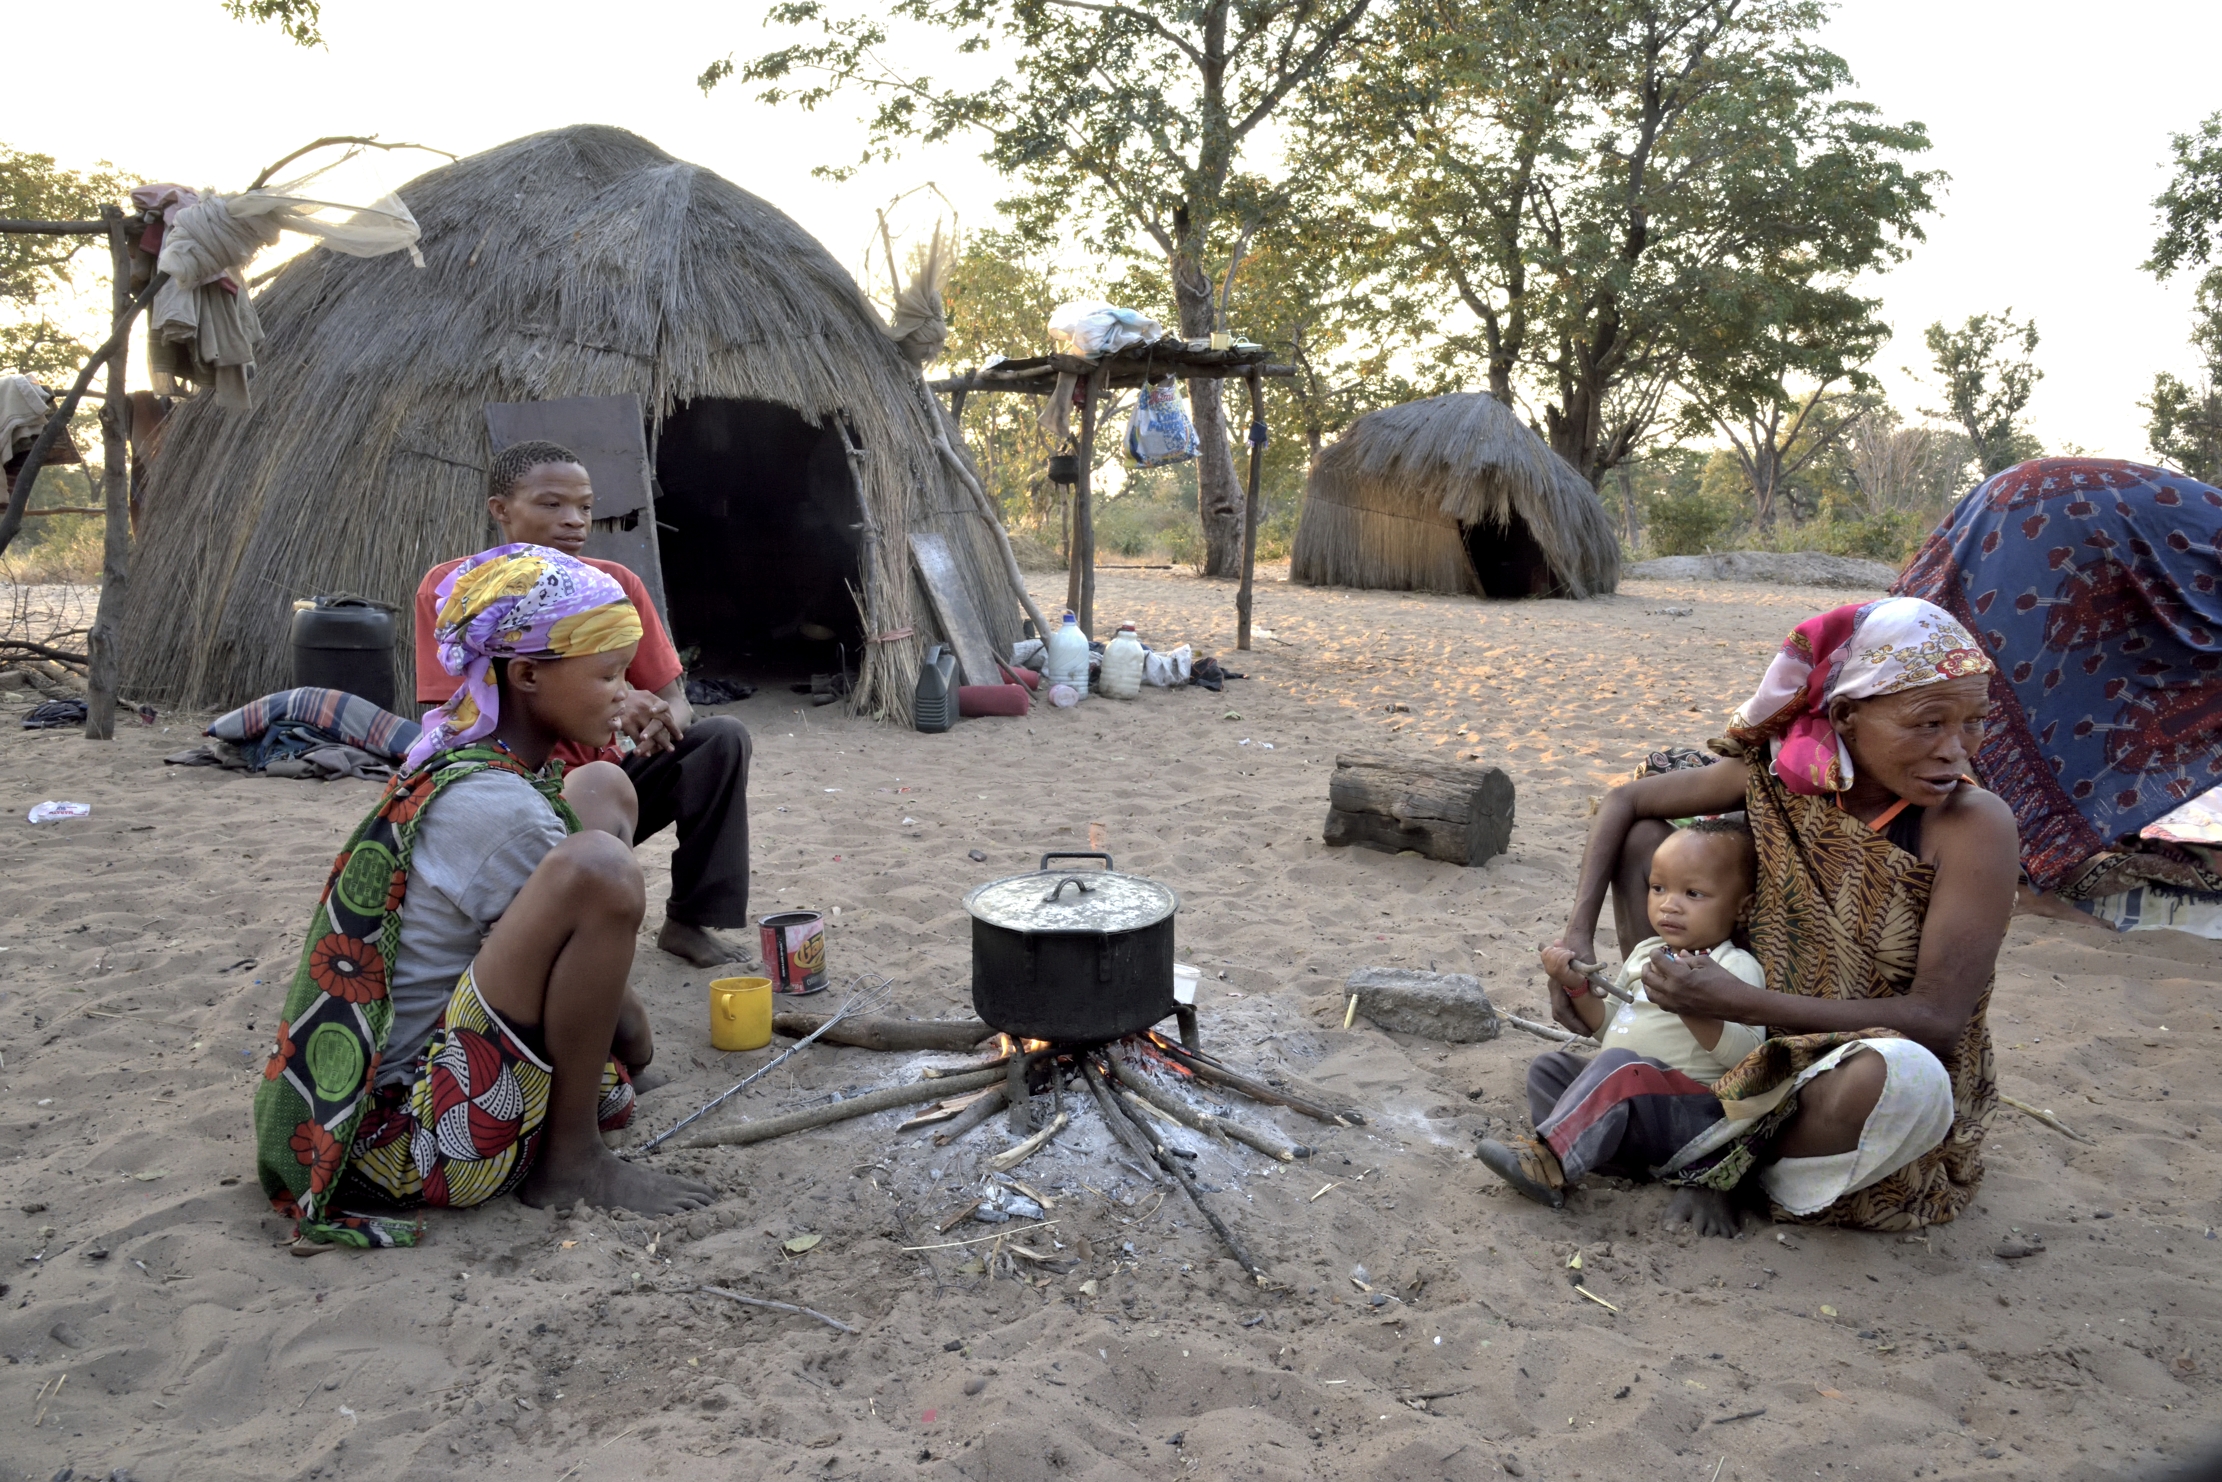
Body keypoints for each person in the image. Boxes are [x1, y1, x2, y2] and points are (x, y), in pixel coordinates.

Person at [255, 545, 715, 1246]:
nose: (627, 693)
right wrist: (637, 1042)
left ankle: (573, 1125)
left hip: (433, 1079)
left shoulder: (464, 752)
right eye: (608, 675)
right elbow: (621, 1019)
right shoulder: (496, 807)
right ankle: (571, 1161)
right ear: (526, 673)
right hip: (418, 1139)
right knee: (601, 869)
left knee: (600, 787)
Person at [1528, 596, 2017, 1235]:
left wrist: (1738, 1002)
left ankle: (1717, 1159)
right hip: (1728, 1040)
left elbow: (1937, 1023)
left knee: (1908, 1079)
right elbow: (1624, 802)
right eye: (1928, 724)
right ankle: (1667, 1064)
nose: (1957, 751)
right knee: (1653, 839)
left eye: (1974, 723)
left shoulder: (1972, 825)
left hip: (1829, 1064)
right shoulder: (1784, 777)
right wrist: (1577, 935)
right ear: (1845, 716)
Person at [414, 439, 753, 968]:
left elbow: (674, 701)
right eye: (552, 504)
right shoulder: (456, 589)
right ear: (501, 510)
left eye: (586, 506)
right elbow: (451, 717)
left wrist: (652, 721)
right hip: (513, 793)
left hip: (608, 785)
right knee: (593, 786)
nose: (574, 521)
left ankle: (688, 921)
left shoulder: (614, 586)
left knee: (721, 739)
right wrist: (616, 704)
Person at [1477, 819, 1768, 1207]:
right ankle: (1596, 1155)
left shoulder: (1734, 966)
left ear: (1742, 907)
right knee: (1550, 1068)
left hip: (1689, 1115)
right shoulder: (1647, 952)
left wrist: (1692, 1007)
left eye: (1693, 893)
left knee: (1619, 1067)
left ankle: (1550, 1164)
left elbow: (1747, 1059)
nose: (1669, 904)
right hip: (1633, 1102)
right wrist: (1575, 985)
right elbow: (1612, 1027)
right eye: (1658, 888)